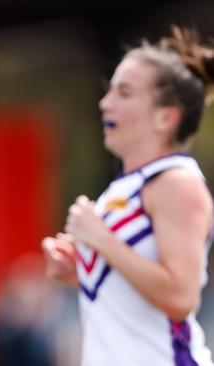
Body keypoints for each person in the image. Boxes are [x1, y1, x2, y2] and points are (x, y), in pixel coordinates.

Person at [42, 26, 214, 366]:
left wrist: (100, 240)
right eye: (109, 91)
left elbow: (181, 297)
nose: (105, 103)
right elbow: (134, 302)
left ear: (166, 116)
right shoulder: (127, 187)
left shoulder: (175, 182)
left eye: (124, 92)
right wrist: (79, 272)